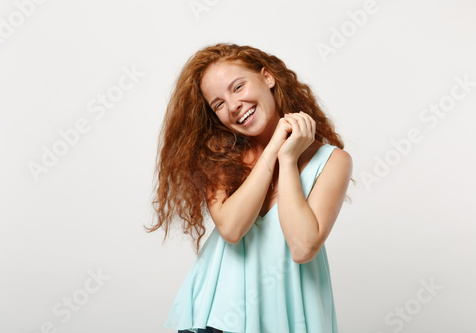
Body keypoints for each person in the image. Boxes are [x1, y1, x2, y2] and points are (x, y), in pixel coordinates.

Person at [146, 43, 353, 333]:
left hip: (291, 314)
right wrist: (273, 150)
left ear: (268, 77)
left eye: (238, 87)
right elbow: (232, 229)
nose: (232, 106)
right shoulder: (218, 154)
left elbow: (303, 246)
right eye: (218, 104)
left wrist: (289, 158)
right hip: (218, 314)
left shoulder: (333, 162)